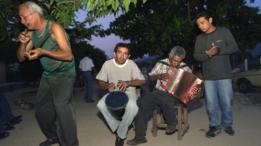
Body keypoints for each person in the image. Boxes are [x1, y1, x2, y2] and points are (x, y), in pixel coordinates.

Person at [17, 1, 78, 146]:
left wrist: (43, 51)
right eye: (20, 18)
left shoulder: (54, 28)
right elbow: (20, 58)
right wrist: (23, 43)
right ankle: (53, 136)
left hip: (65, 74)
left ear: (35, 14)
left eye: (24, 17)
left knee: (61, 106)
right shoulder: (30, 33)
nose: (22, 21)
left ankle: (71, 143)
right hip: (48, 75)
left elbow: (68, 55)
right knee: (41, 111)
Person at [127, 46, 191, 145]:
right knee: (142, 104)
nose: (176, 63)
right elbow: (151, 77)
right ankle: (140, 137)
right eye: (174, 60)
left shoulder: (185, 67)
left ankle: (172, 122)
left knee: (159, 96)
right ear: (170, 55)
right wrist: (160, 76)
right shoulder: (161, 63)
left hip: (175, 97)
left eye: (179, 61)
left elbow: (190, 86)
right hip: (158, 93)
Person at [193, 12, 239, 138]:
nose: (201, 26)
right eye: (198, 24)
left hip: (224, 75)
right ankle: (214, 125)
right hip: (209, 77)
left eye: (202, 22)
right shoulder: (200, 39)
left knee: (226, 102)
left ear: (210, 19)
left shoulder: (223, 32)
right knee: (211, 104)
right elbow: (196, 56)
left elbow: (234, 47)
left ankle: (227, 124)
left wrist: (219, 50)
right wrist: (208, 54)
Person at [96, 43, 145, 146]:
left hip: (129, 92)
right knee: (100, 105)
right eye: (119, 52)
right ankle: (121, 127)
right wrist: (107, 86)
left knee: (133, 107)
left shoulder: (131, 64)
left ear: (128, 56)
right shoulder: (107, 64)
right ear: (114, 54)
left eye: (125, 53)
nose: (122, 56)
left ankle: (120, 136)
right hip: (113, 92)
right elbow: (100, 82)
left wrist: (128, 83)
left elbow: (142, 81)